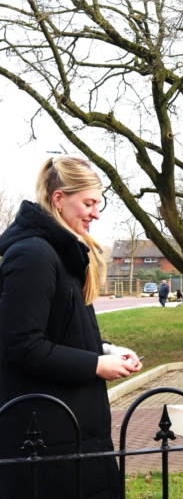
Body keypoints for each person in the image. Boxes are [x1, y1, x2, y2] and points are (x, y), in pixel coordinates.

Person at [0, 156, 142, 498]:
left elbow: (61, 330)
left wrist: (107, 350)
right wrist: (95, 364)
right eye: (89, 203)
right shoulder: (34, 255)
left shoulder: (62, 253)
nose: (96, 213)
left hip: (70, 430)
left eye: (98, 203)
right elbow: (21, 345)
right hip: (49, 438)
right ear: (59, 199)